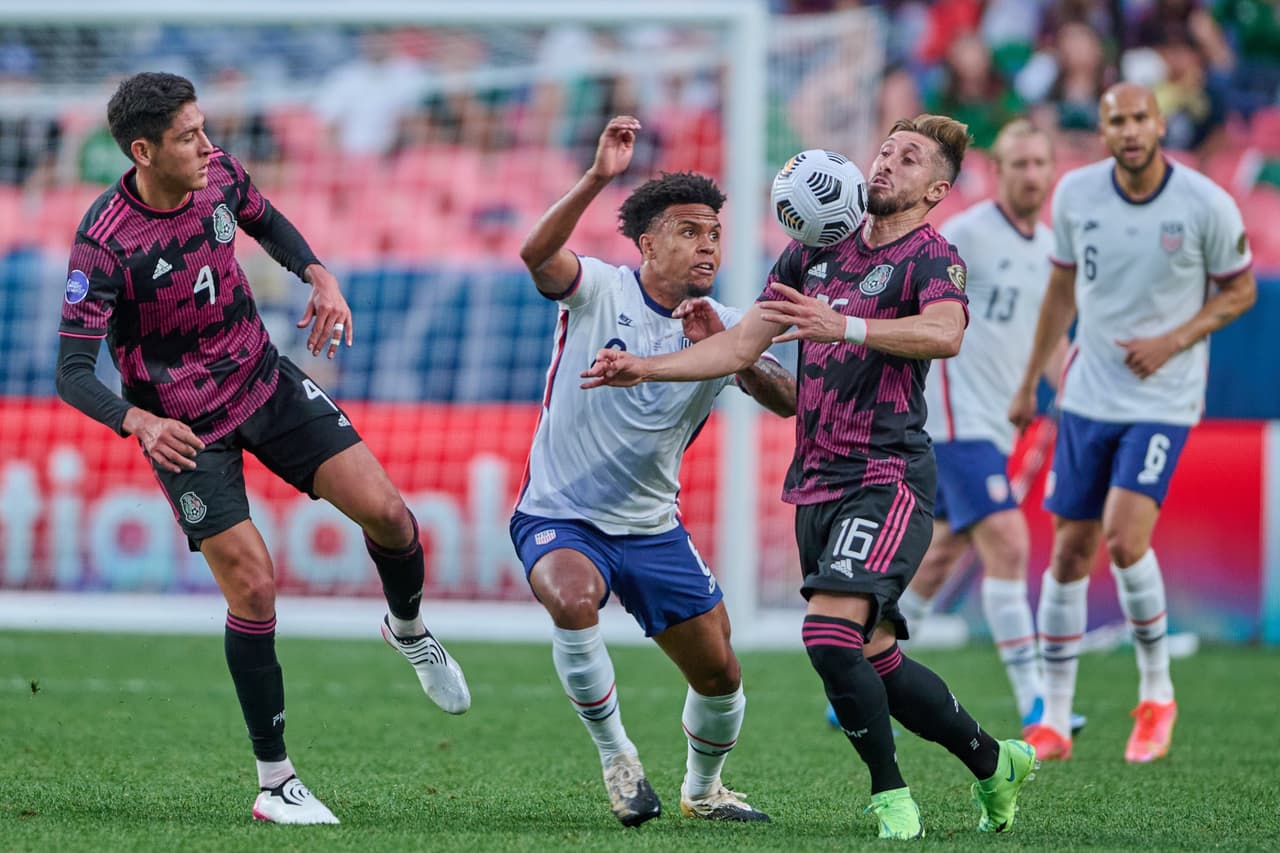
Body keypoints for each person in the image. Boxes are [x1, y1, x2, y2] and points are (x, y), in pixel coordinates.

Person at [584, 114, 1036, 840]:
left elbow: (944, 333)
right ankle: (994, 761)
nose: (886, 163)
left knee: (828, 633)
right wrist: (649, 364)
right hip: (816, 480)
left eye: (908, 157)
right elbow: (753, 359)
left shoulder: (931, 255)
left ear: (936, 189)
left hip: (886, 474)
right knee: (875, 654)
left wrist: (845, 326)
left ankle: (892, 796)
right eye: (884, 149)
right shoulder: (813, 251)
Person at [54, 72, 470, 825]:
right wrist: (136, 423)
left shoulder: (220, 176)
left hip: (262, 379)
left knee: (392, 515)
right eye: (188, 136)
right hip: (183, 429)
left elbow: (268, 222)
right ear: (143, 151)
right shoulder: (104, 242)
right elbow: (72, 371)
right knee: (253, 587)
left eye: (204, 128)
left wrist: (320, 275)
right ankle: (276, 781)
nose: (207, 145)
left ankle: (407, 628)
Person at [511, 115, 796, 827]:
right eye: (688, 230)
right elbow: (535, 253)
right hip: (560, 512)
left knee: (721, 673)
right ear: (647, 241)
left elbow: (789, 401)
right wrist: (599, 177)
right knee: (572, 599)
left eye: (713, 233)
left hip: (650, 527)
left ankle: (705, 788)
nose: (706, 245)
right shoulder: (600, 290)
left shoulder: (722, 320)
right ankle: (618, 759)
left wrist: (738, 352)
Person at [1008, 82, 1256, 763]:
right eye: (1116, 120)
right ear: (1106, 130)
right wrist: (1032, 379)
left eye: (1140, 118)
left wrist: (1175, 340)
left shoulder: (1204, 202)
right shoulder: (1076, 194)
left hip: (1164, 396)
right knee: (1068, 552)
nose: (1129, 130)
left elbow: (1242, 289)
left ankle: (1156, 693)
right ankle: (1053, 715)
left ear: (1160, 121)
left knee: (1122, 537)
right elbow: (1060, 289)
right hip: (1088, 395)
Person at [905, 119, 1075, 733]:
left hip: (999, 424)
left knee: (941, 555)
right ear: (998, 172)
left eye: (1039, 164)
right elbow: (920, 300)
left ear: (1052, 171)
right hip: (954, 418)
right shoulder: (964, 236)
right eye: (1019, 164)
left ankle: (868, 665)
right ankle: (1038, 703)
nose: (1031, 175)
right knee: (1007, 540)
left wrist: (1068, 385)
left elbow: (1051, 340)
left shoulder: (1051, 248)